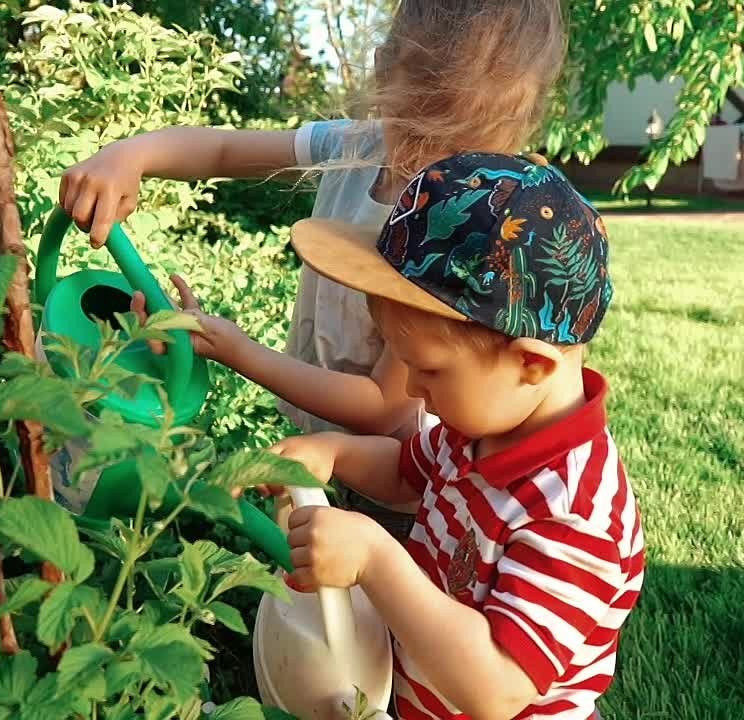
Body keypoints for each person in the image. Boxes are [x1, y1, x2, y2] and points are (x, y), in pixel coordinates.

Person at [56, 0, 567, 537]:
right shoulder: (353, 145)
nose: (431, 173)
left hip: (408, 488)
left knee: (366, 610)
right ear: (382, 72)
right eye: (416, 132)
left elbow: (380, 407)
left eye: (461, 153)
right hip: (335, 459)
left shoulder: (469, 222)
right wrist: (133, 154)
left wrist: (238, 351)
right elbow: (226, 150)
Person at [266, 152, 644, 720]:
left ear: (531, 366)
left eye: (431, 369)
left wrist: (375, 558)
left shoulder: (576, 514)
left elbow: (494, 689)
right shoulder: (475, 430)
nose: (413, 389)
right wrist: (333, 453)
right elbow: (402, 473)